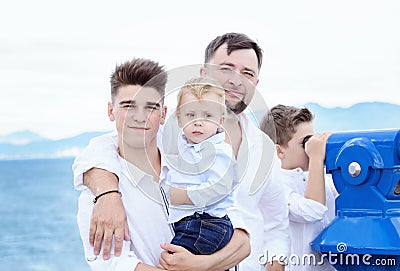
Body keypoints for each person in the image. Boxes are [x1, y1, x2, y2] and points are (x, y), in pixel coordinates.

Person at [73, 33, 290, 271]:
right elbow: (105, 146)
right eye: (226, 68)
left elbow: (267, 225)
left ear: (256, 82)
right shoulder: (178, 140)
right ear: (203, 74)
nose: (236, 80)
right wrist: (107, 194)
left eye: (247, 73)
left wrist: (205, 265)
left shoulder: (263, 148)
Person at [162, 77, 238, 255]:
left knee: (171, 261)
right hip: (193, 223)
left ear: (220, 120)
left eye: (208, 116)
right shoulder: (186, 147)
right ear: (179, 119)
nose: (198, 121)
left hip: (207, 224)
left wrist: (183, 196)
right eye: (190, 115)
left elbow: (221, 187)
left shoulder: (218, 151)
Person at [260, 104, 338, 271]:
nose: (312, 148)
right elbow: (313, 210)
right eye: (306, 143)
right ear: (279, 152)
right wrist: (317, 158)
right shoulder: (275, 186)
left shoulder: (321, 179)